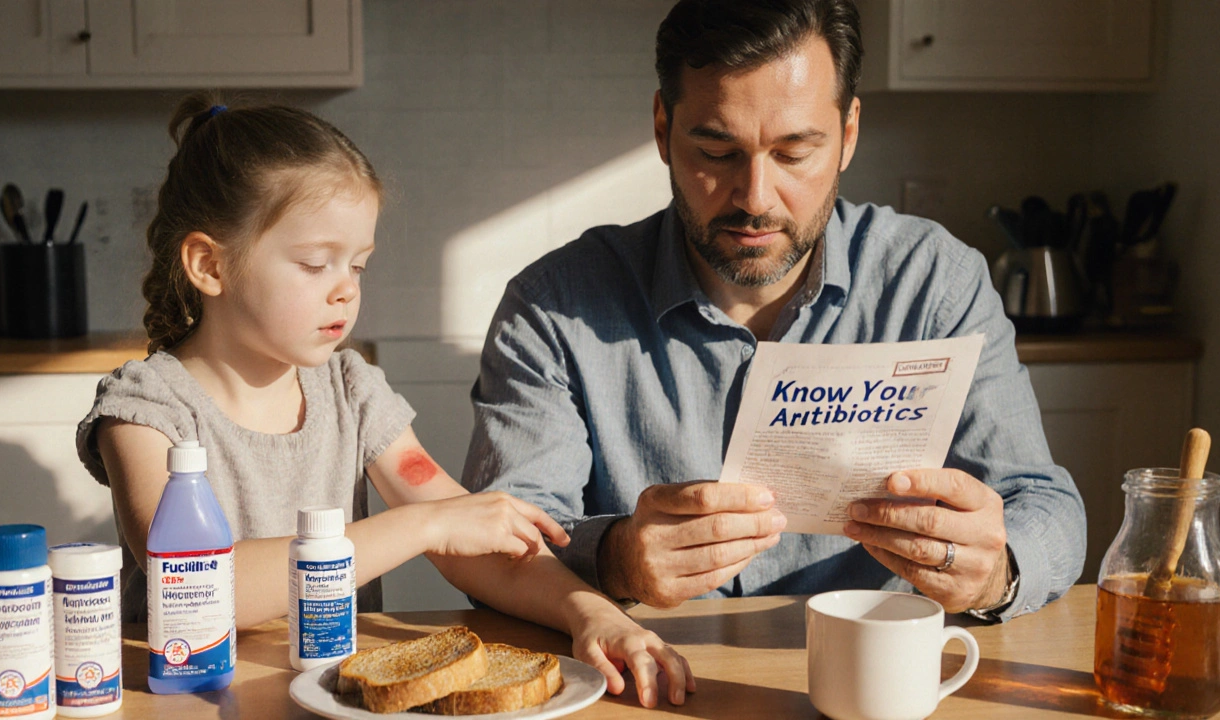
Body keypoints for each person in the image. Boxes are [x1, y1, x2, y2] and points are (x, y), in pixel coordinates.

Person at [463, 0, 1086, 621]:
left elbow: (1045, 505)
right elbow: (493, 548)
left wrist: (996, 572)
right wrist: (616, 559)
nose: (755, 198)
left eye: (793, 153)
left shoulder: (935, 283)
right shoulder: (553, 306)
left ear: (848, 135)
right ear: (662, 129)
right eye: (716, 151)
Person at [75, 93, 693, 708]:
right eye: (316, 264)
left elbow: (471, 543)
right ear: (210, 264)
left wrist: (593, 615)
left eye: (359, 266)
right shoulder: (145, 412)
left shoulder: (351, 389)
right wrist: (423, 524)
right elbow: (202, 591)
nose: (345, 292)